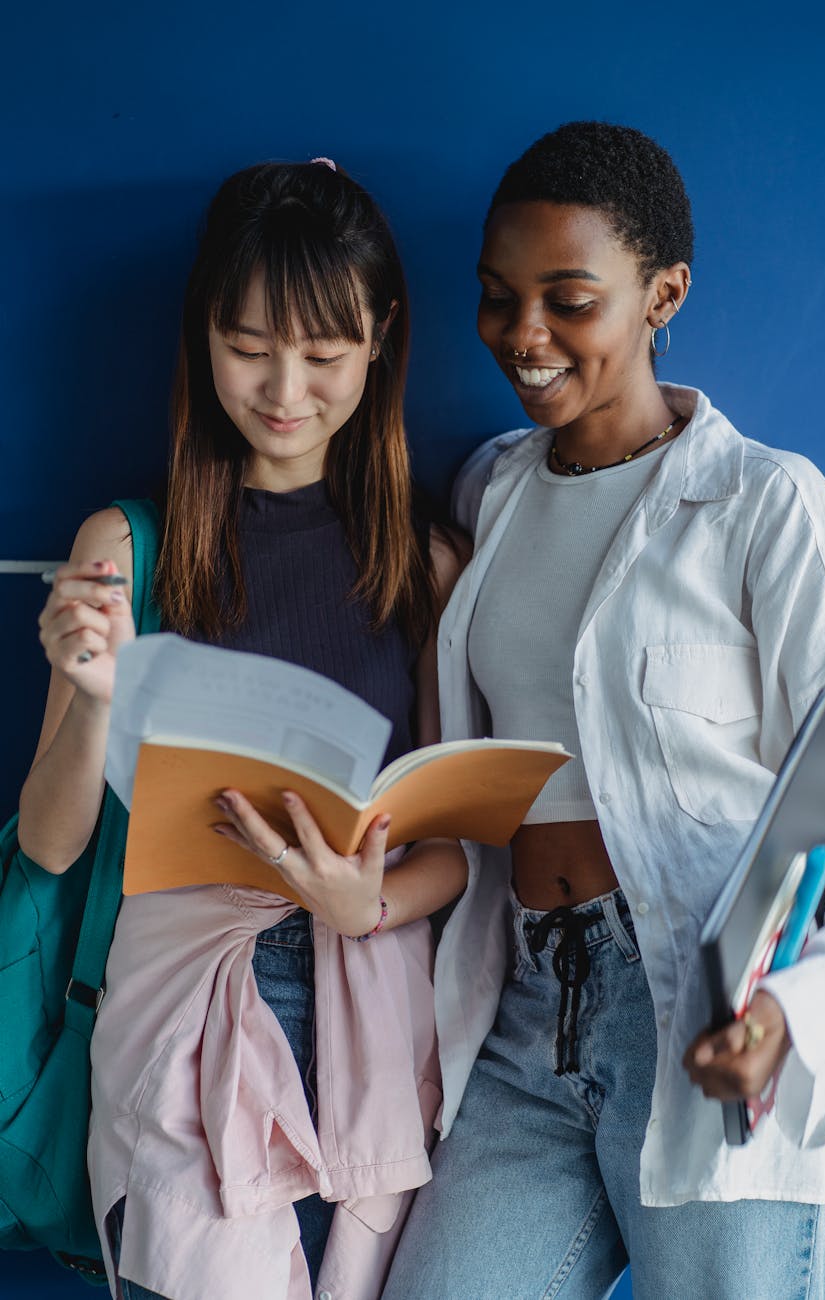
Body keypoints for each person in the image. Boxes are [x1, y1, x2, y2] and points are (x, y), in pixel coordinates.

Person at [383, 121, 825, 1299]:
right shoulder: (491, 491)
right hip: (525, 1016)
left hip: (713, 1032)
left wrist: (793, 1019)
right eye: (499, 299)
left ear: (663, 293)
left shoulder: (769, 511)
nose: (523, 337)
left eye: (567, 299)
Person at [18, 159, 468, 1300]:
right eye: (248, 346)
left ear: (379, 345)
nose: (284, 388)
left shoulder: (422, 562)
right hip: (182, 995)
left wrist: (367, 902)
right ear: (201, 336)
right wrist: (93, 697)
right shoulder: (126, 545)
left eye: (324, 356)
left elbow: (460, 847)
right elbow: (53, 845)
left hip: (367, 994)